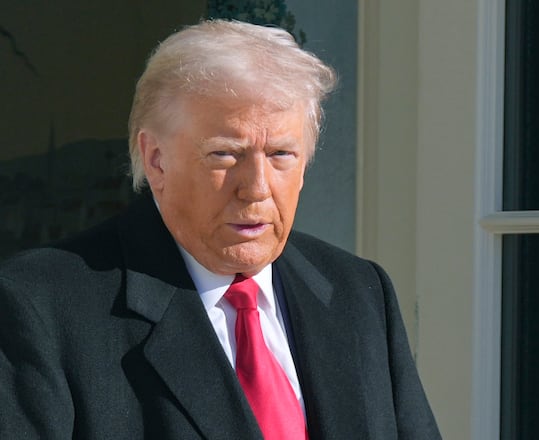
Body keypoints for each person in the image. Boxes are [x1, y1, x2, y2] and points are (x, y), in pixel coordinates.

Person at [0, 20, 441, 440]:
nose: (256, 189)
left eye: (281, 153)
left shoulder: (358, 291)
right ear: (155, 159)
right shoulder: (40, 305)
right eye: (225, 154)